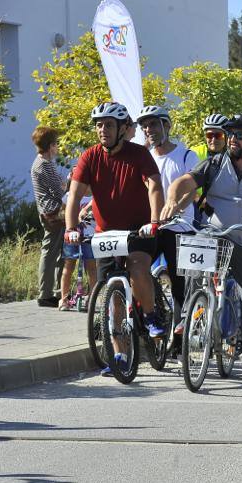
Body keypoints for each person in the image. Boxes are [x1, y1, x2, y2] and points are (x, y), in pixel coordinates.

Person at [162, 113, 242, 384]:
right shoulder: (214, 164)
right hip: (214, 234)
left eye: (240, 135)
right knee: (193, 267)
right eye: (231, 135)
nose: (233, 140)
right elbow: (185, 182)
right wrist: (171, 200)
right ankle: (190, 315)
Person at [66, 102, 165, 373]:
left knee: (137, 267)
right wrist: (71, 227)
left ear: (123, 129)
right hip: (106, 234)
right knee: (113, 292)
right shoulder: (90, 157)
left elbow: (154, 186)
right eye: (98, 125)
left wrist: (155, 221)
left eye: (108, 125)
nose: (102, 130)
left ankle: (150, 313)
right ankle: (119, 356)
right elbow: (75, 195)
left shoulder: (139, 154)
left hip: (140, 230)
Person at [137, 104, 199, 332]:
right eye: (144, 126)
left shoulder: (186, 155)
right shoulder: (144, 157)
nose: (148, 129)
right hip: (152, 226)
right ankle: (154, 313)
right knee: (138, 267)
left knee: (178, 279)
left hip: (180, 226)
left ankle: (181, 330)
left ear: (167, 125)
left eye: (153, 124)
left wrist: (176, 208)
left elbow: (192, 191)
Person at [30, 126, 66, 307]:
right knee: (52, 252)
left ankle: (57, 291)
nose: (58, 146)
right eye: (57, 143)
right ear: (51, 145)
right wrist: (68, 183)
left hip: (49, 211)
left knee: (57, 252)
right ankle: (45, 294)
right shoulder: (44, 165)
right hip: (53, 213)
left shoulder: (43, 162)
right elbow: (60, 190)